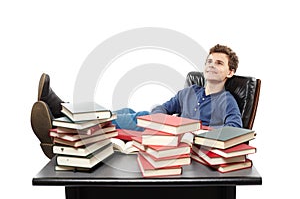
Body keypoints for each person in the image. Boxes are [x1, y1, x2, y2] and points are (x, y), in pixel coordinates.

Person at [30, 44, 242, 159]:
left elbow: (234, 130)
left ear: (230, 72)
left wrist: (193, 129)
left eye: (219, 63)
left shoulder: (227, 100)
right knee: (128, 112)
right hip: (165, 129)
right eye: (209, 61)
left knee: (129, 118)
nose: (211, 65)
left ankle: (61, 113)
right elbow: (163, 107)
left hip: (182, 141)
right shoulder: (189, 92)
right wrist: (163, 118)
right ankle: (63, 113)